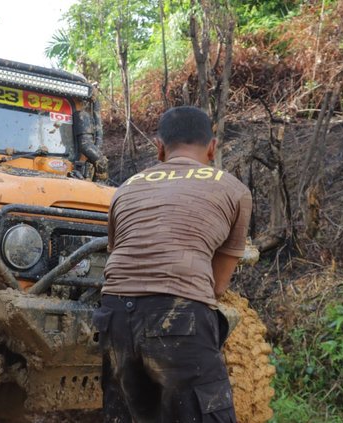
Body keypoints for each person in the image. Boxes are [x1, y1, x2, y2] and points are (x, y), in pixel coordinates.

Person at [93, 106, 252, 423]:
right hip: (179, 316)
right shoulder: (233, 189)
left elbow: (120, 255)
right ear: (211, 147)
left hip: (113, 320)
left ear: (159, 147)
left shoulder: (125, 188)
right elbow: (217, 286)